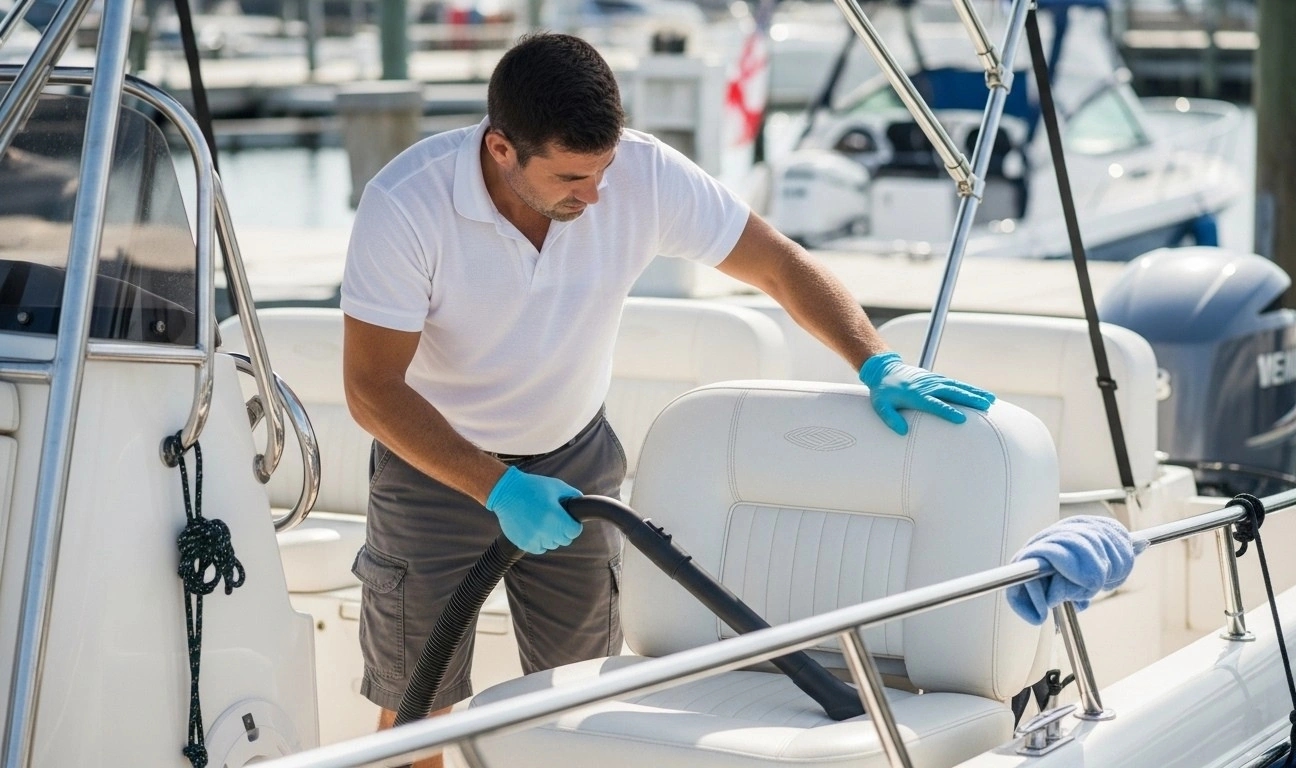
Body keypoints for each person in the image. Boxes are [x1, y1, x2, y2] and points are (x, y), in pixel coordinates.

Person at [341, 32, 994, 768]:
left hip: (574, 458)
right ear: (500, 149)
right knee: (418, 713)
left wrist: (876, 361)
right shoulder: (406, 202)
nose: (593, 195)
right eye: (570, 177)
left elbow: (777, 264)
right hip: (434, 467)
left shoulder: (643, 177)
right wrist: (495, 485)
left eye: (604, 170)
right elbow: (371, 389)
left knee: (577, 703)